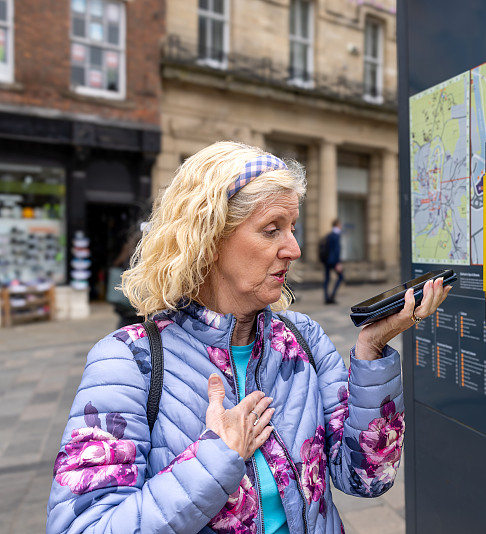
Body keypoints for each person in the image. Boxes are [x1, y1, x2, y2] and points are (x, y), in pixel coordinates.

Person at [46, 141, 451, 534]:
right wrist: (215, 457)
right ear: (207, 240)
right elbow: (84, 525)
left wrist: (372, 349)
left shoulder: (302, 339)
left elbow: (367, 477)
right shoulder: (128, 361)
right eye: (271, 229)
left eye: (292, 228)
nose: (293, 248)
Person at [322, 219, 343, 304]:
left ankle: (327, 297)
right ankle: (332, 296)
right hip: (334, 261)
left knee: (327, 279)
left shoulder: (329, 235)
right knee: (341, 277)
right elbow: (336, 250)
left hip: (326, 260)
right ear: (337, 225)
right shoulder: (336, 235)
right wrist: (338, 262)